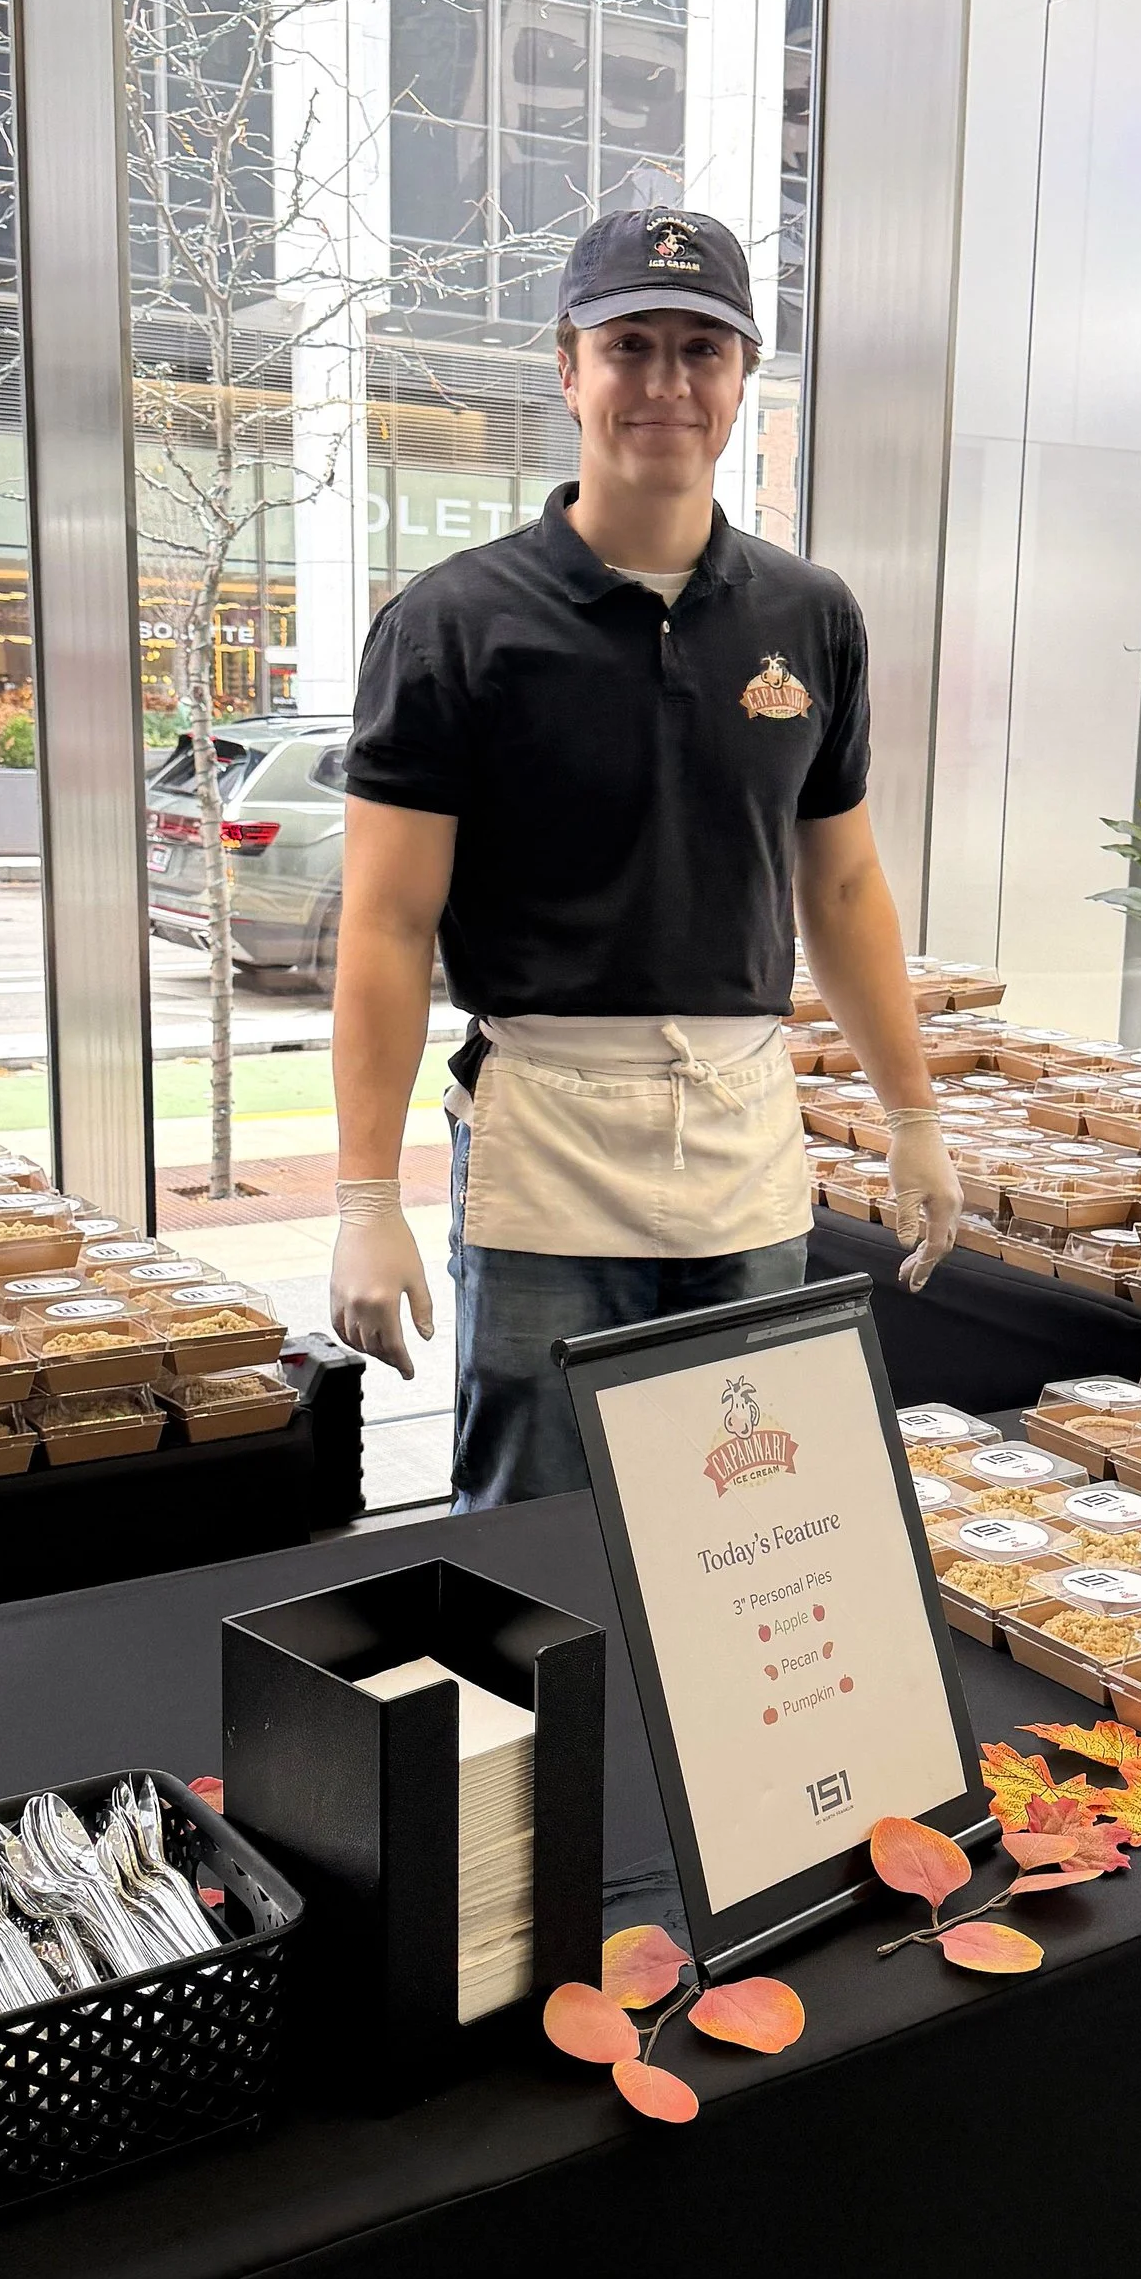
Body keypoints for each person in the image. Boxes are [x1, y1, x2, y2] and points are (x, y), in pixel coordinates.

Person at [329, 202, 962, 1511]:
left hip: (746, 1140)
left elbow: (840, 886)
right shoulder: (452, 626)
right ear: (569, 368)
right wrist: (361, 1193)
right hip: (546, 1141)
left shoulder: (810, 617)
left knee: (749, 1528)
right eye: (631, 347)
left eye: (701, 350)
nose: (665, 383)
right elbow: (387, 927)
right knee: (532, 1534)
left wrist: (913, 1118)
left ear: (740, 384)